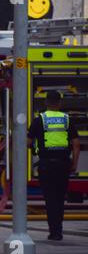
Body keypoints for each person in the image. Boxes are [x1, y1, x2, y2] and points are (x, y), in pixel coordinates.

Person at [28, 90, 80, 241]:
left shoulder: (39, 120)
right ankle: (58, 229)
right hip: (63, 164)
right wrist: (74, 165)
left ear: (46, 103)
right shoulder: (67, 119)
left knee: (50, 198)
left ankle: (55, 232)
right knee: (59, 198)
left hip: (46, 165)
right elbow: (76, 145)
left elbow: (28, 142)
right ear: (60, 103)